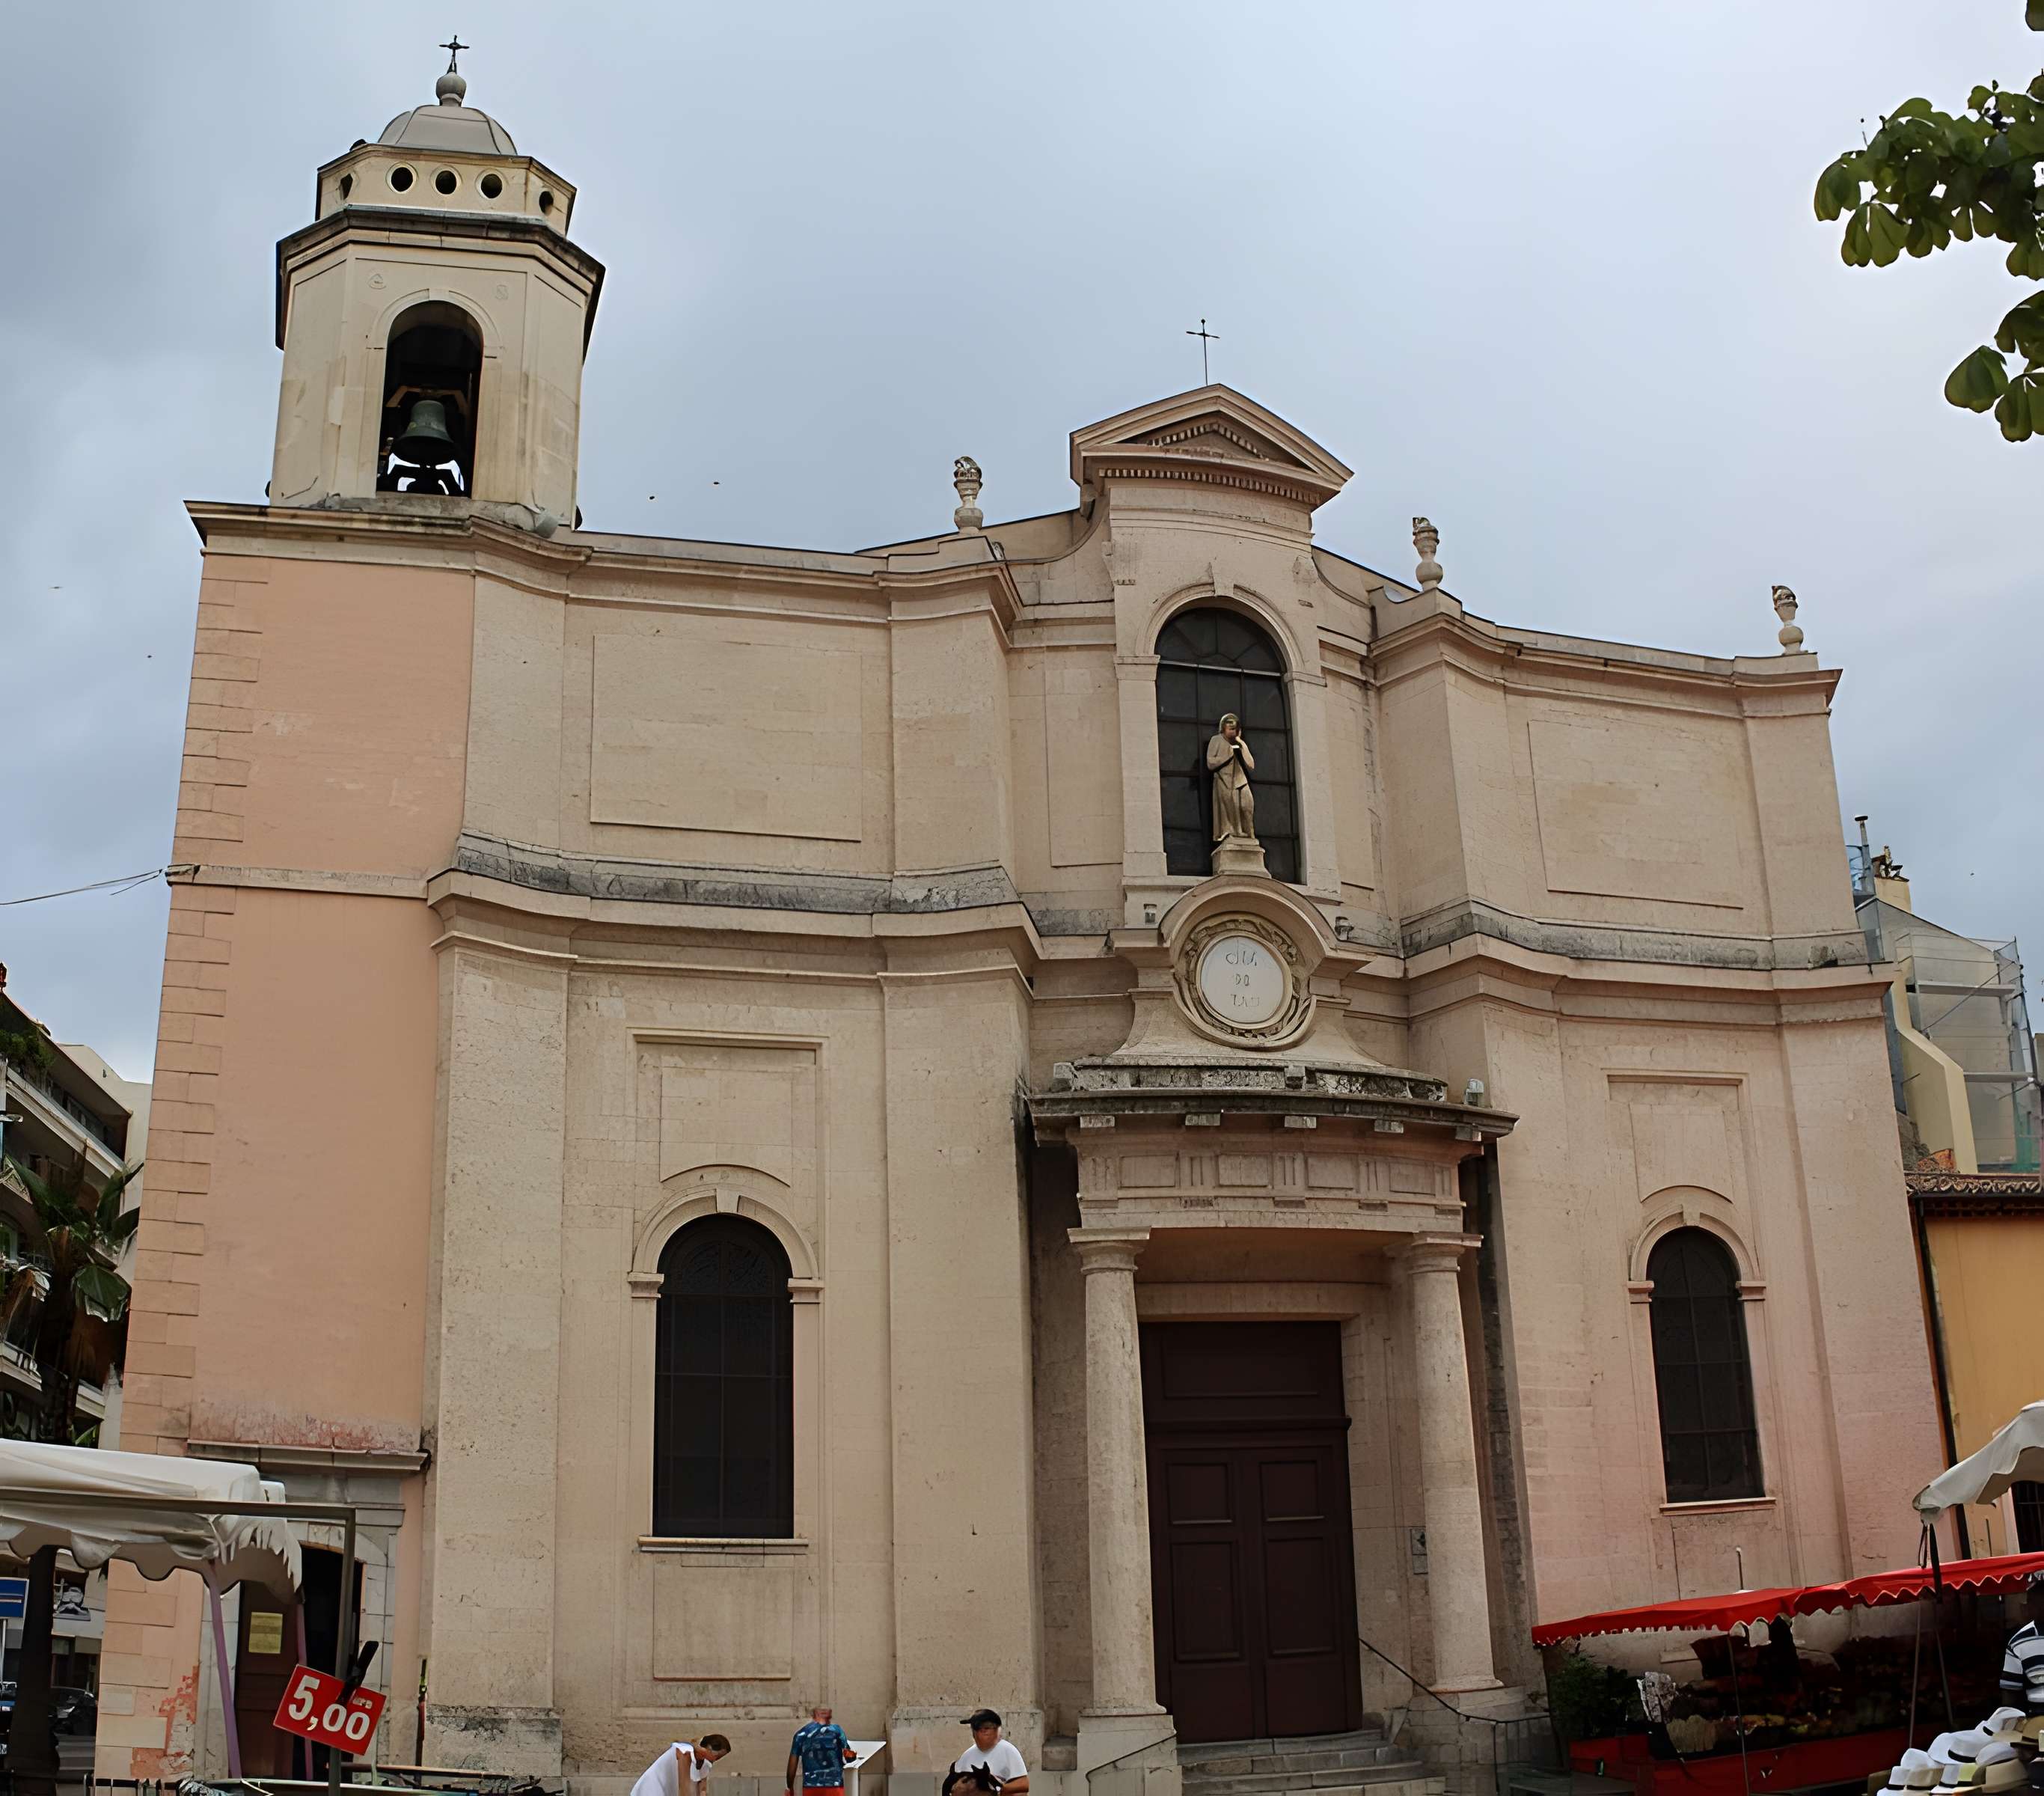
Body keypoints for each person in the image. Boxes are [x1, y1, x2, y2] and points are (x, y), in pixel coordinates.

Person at [943, 1710, 1029, 1796]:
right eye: (975, 1730)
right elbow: (949, 1785)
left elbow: (1023, 1786)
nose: (977, 1734)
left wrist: (998, 1790)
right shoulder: (968, 1755)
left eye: (985, 1729)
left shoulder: (1007, 1751)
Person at [1205, 714, 1256, 843]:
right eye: (1230, 728)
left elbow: (1251, 765)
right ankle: (1235, 832)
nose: (1233, 731)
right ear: (1223, 728)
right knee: (1231, 808)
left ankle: (1249, 833)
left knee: (1247, 804)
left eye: (1235, 729)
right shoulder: (1216, 740)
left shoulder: (1239, 743)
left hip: (1240, 780)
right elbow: (1210, 763)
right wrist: (1227, 756)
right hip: (1224, 780)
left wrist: (1242, 744)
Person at [631, 1733, 732, 1796]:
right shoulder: (684, 1751)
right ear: (707, 1749)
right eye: (717, 1756)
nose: (716, 1760)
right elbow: (684, 1787)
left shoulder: (706, 1765)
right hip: (651, 1789)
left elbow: (702, 1790)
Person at [788, 1705, 857, 1796]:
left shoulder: (801, 1734)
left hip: (811, 1785)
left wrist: (790, 1787)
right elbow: (848, 1756)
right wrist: (852, 1756)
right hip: (834, 1785)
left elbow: (792, 1765)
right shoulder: (837, 1731)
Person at [1999, 1574, 2044, 1712]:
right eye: (2031, 1603)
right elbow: (2010, 1693)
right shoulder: (2018, 1643)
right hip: (2038, 1721)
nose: (2029, 1608)